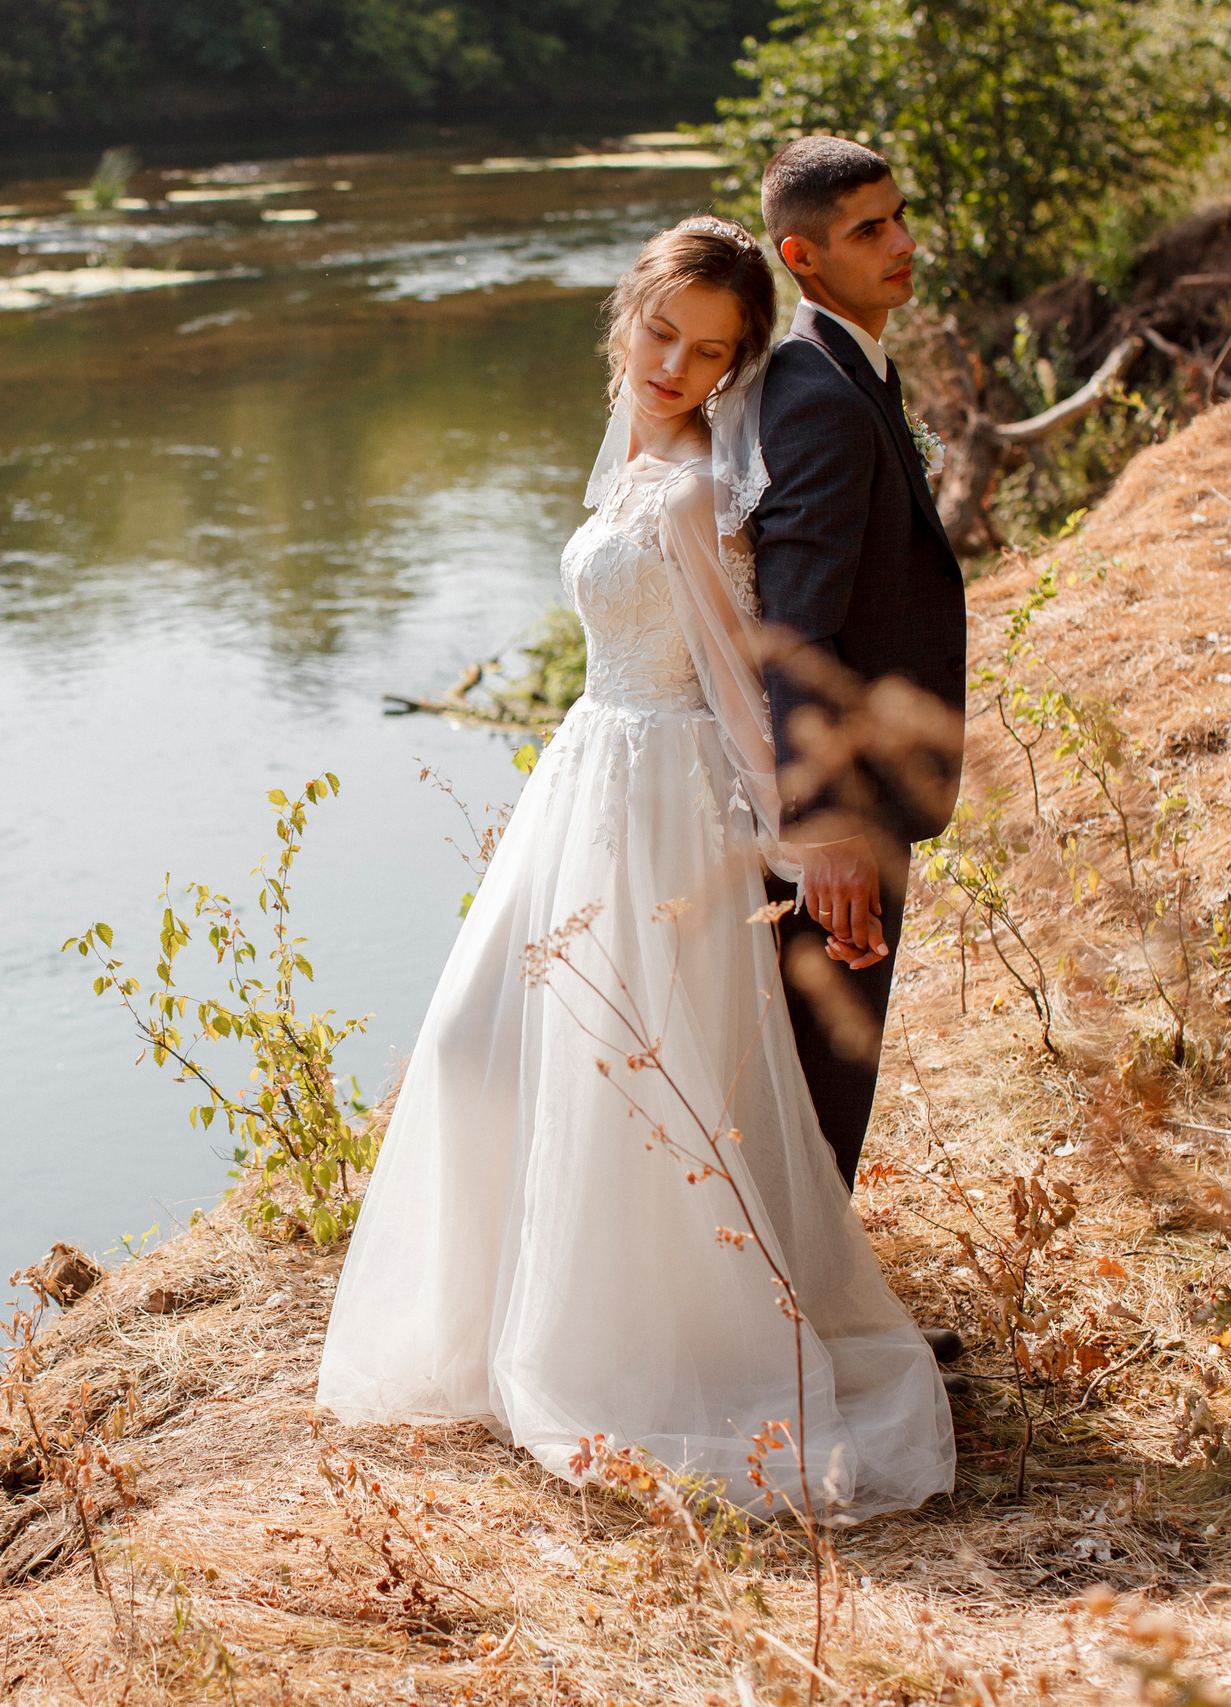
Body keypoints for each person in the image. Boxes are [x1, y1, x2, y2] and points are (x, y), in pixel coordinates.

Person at [315, 213, 955, 1522]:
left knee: (626, 1075)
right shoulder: (631, 444)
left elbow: (736, 680)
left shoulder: (697, 484)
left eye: (709, 351)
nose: (674, 363)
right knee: (483, 1050)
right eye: (662, 332)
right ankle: (505, 1316)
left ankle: (649, 1346)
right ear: (630, 317)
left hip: (665, 796)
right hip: (586, 777)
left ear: (735, 364)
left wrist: (801, 828)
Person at [750, 137, 970, 1197]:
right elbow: (794, 627)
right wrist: (828, 823)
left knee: (829, 1073)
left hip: (873, 780)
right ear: (802, 256)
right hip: (842, 801)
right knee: (820, 1078)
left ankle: (803, 1314)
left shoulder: (852, 370)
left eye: (897, 216)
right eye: (866, 232)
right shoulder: (819, 398)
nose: (901, 244)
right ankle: (800, 1336)